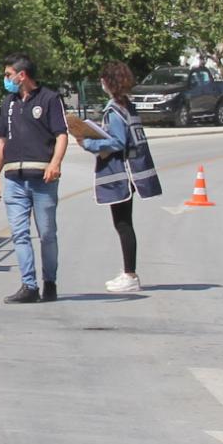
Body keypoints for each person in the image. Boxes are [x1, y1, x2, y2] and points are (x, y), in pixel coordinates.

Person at [66, 61, 160, 294]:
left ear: (109, 82)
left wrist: (89, 142)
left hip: (122, 173)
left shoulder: (114, 109)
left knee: (123, 224)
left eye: (103, 79)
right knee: (124, 223)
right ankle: (129, 272)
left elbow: (118, 141)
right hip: (134, 172)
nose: (101, 83)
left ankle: (130, 275)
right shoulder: (127, 105)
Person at [0, 54, 66, 302]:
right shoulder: (8, 103)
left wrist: (55, 163)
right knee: (19, 234)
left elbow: (62, 135)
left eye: (8, 75)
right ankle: (28, 286)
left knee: (47, 234)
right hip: (15, 180)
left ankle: (49, 282)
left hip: (43, 178)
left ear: (22, 76)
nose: (5, 80)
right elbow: (2, 141)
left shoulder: (50, 99)